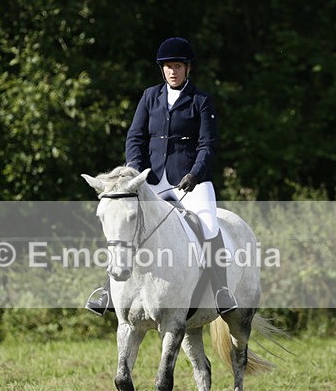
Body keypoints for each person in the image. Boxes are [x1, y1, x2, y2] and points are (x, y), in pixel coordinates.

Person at [86, 37, 237, 316]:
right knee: (125, 226)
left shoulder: (201, 101)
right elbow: (135, 137)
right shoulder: (149, 96)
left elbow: (208, 145)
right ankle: (107, 290)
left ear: (187, 68)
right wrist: (133, 169)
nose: (172, 71)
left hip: (189, 182)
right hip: (151, 181)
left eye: (177, 66)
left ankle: (221, 290)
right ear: (162, 69)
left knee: (208, 226)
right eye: (168, 66)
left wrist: (195, 174)